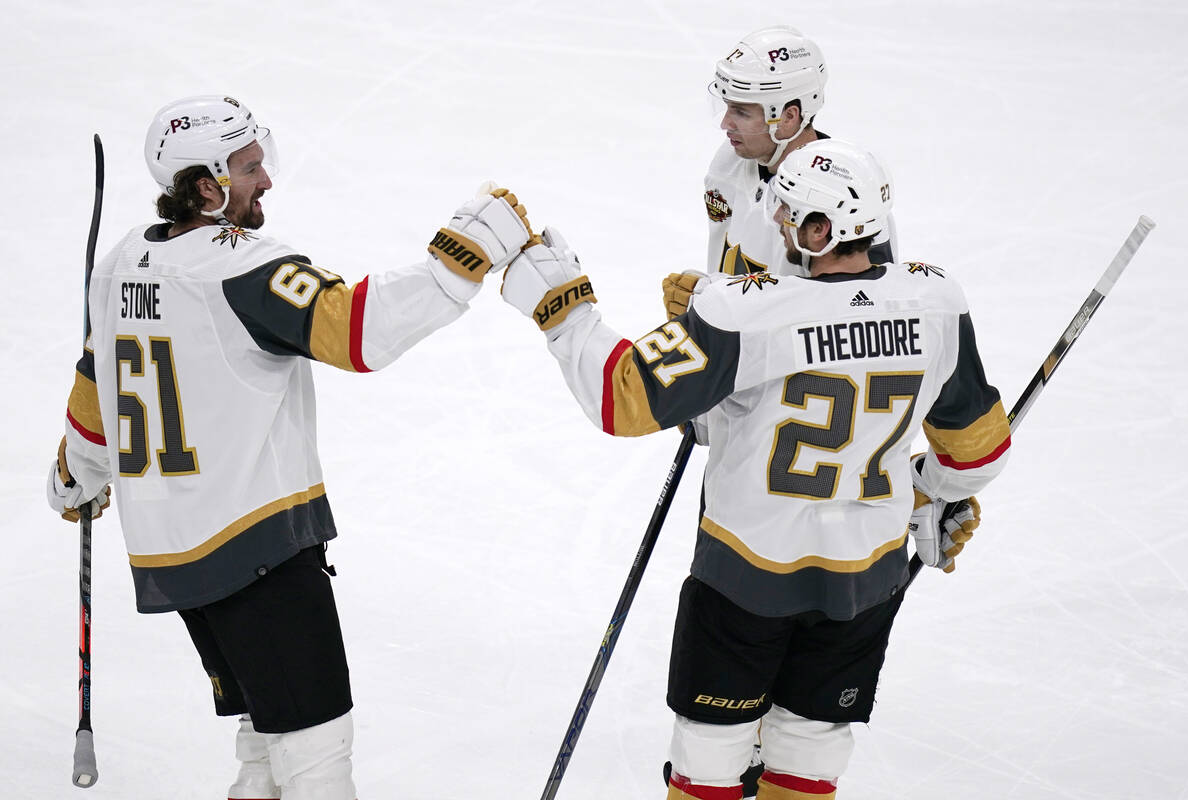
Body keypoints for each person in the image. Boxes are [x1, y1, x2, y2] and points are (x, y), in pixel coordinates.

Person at [45, 95, 534, 800]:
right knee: (314, 765)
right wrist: (464, 255)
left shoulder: (122, 262)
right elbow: (356, 329)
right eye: (248, 169)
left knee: (264, 754)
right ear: (206, 187)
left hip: (178, 564)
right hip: (258, 560)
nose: (266, 180)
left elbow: (96, 392)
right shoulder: (239, 268)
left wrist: (77, 474)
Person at [500, 138, 1010, 799]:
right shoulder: (935, 301)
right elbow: (978, 448)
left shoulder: (743, 313)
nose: (774, 221)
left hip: (746, 576)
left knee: (711, 759)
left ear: (821, 229)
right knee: (810, 753)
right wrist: (930, 494)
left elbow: (621, 396)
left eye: (788, 211)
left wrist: (564, 308)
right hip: (865, 581)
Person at [665, 25, 899, 322]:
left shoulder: (845, 198)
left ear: (789, 117)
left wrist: (718, 302)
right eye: (726, 108)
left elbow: (859, 313)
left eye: (741, 112)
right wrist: (709, 309)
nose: (726, 123)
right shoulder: (730, 160)